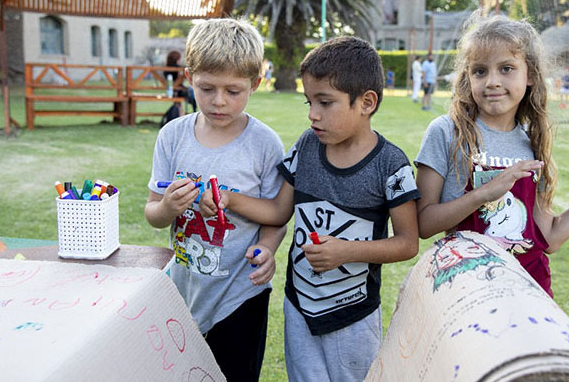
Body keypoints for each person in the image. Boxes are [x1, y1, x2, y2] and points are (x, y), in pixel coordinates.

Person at [199, 36, 420, 382]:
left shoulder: (391, 164)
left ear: (366, 102)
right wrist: (231, 199)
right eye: (309, 102)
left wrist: (346, 252)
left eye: (325, 102)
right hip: (299, 307)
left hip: (354, 316)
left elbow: (408, 243)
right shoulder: (306, 145)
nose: (312, 114)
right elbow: (277, 212)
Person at [414, 13, 569, 297]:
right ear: (467, 77)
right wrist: (483, 194)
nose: (492, 81)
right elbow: (423, 224)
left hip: (528, 289)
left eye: (506, 68)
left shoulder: (533, 142)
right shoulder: (448, 132)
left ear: (531, 75)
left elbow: (550, 238)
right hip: (469, 288)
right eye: (480, 71)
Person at [145, 19, 286, 382]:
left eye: (233, 91)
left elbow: (277, 214)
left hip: (241, 294)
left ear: (255, 84)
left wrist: (268, 249)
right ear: (189, 77)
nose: (219, 101)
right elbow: (153, 212)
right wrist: (168, 208)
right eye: (207, 88)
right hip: (183, 289)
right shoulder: (172, 135)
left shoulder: (265, 145)